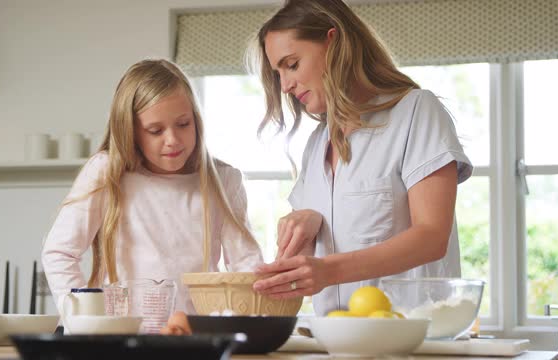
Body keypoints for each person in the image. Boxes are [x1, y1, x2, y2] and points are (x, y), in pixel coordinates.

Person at [249, 0, 473, 316]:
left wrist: (328, 270)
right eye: (278, 73)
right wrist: (306, 229)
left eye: (293, 64)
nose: (285, 85)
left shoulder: (416, 112)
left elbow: (432, 237)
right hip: (335, 341)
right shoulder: (316, 145)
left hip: (410, 340)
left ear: (334, 41)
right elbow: (316, 260)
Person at [42, 59, 263, 315]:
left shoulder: (223, 180)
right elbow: (59, 252)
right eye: (155, 130)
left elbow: (246, 265)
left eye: (183, 124)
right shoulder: (106, 172)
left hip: (195, 335)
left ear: (196, 119)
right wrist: (83, 318)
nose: (173, 140)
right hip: (123, 338)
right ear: (130, 131)